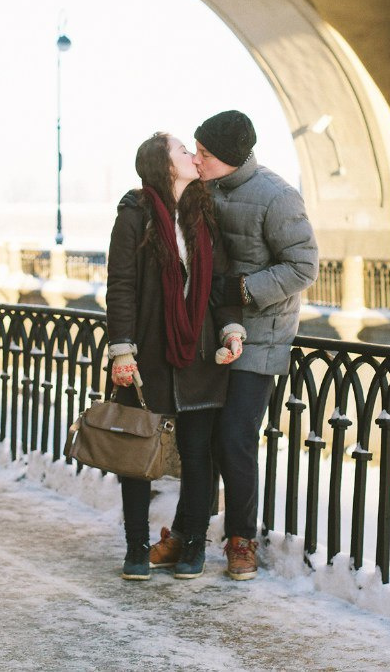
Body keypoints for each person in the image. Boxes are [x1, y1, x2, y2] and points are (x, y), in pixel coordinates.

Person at [105, 132, 245, 581]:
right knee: (137, 452)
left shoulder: (203, 215)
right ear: (163, 164)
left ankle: (193, 547)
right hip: (149, 352)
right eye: (182, 150)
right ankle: (135, 548)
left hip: (201, 353)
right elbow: (121, 285)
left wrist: (230, 330)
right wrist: (122, 350)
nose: (191, 155)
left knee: (197, 453)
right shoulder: (135, 214)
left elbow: (221, 282)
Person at [192, 109, 319, 580]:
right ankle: (193, 531)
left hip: (262, 339)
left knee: (235, 439)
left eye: (204, 153)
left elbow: (304, 266)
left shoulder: (277, 197)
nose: (197, 159)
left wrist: (243, 291)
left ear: (226, 157)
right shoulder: (202, 189)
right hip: (211, 337)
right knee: (199, 437)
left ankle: (242, 538)